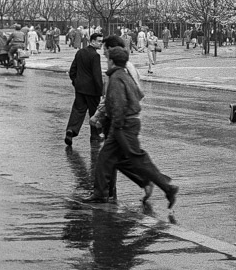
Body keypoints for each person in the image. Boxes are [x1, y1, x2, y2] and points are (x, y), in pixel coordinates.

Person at [82, 47, 179, 207]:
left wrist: (117, 125)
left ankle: (167, 187)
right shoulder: (124, 76)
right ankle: (100, 193)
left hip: (123, 124)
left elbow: (119, 104)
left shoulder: (116, 78)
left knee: (137, 158)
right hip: (127, 123)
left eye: (107, 59)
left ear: (111, 61)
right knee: (106, 158)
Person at [64, 31, 104, 147]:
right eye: (99, 41)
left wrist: (76, 83)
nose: (101, 44)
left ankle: (71, 130)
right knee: (95, 113)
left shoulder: (80, 52)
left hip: (80, 88)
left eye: (102, 41)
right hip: (92, 90)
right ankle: (95, 136)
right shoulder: (95, 56)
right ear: (92, 41)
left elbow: (73, 70)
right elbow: (97, 75)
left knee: (77, 110)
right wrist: (100, 90)